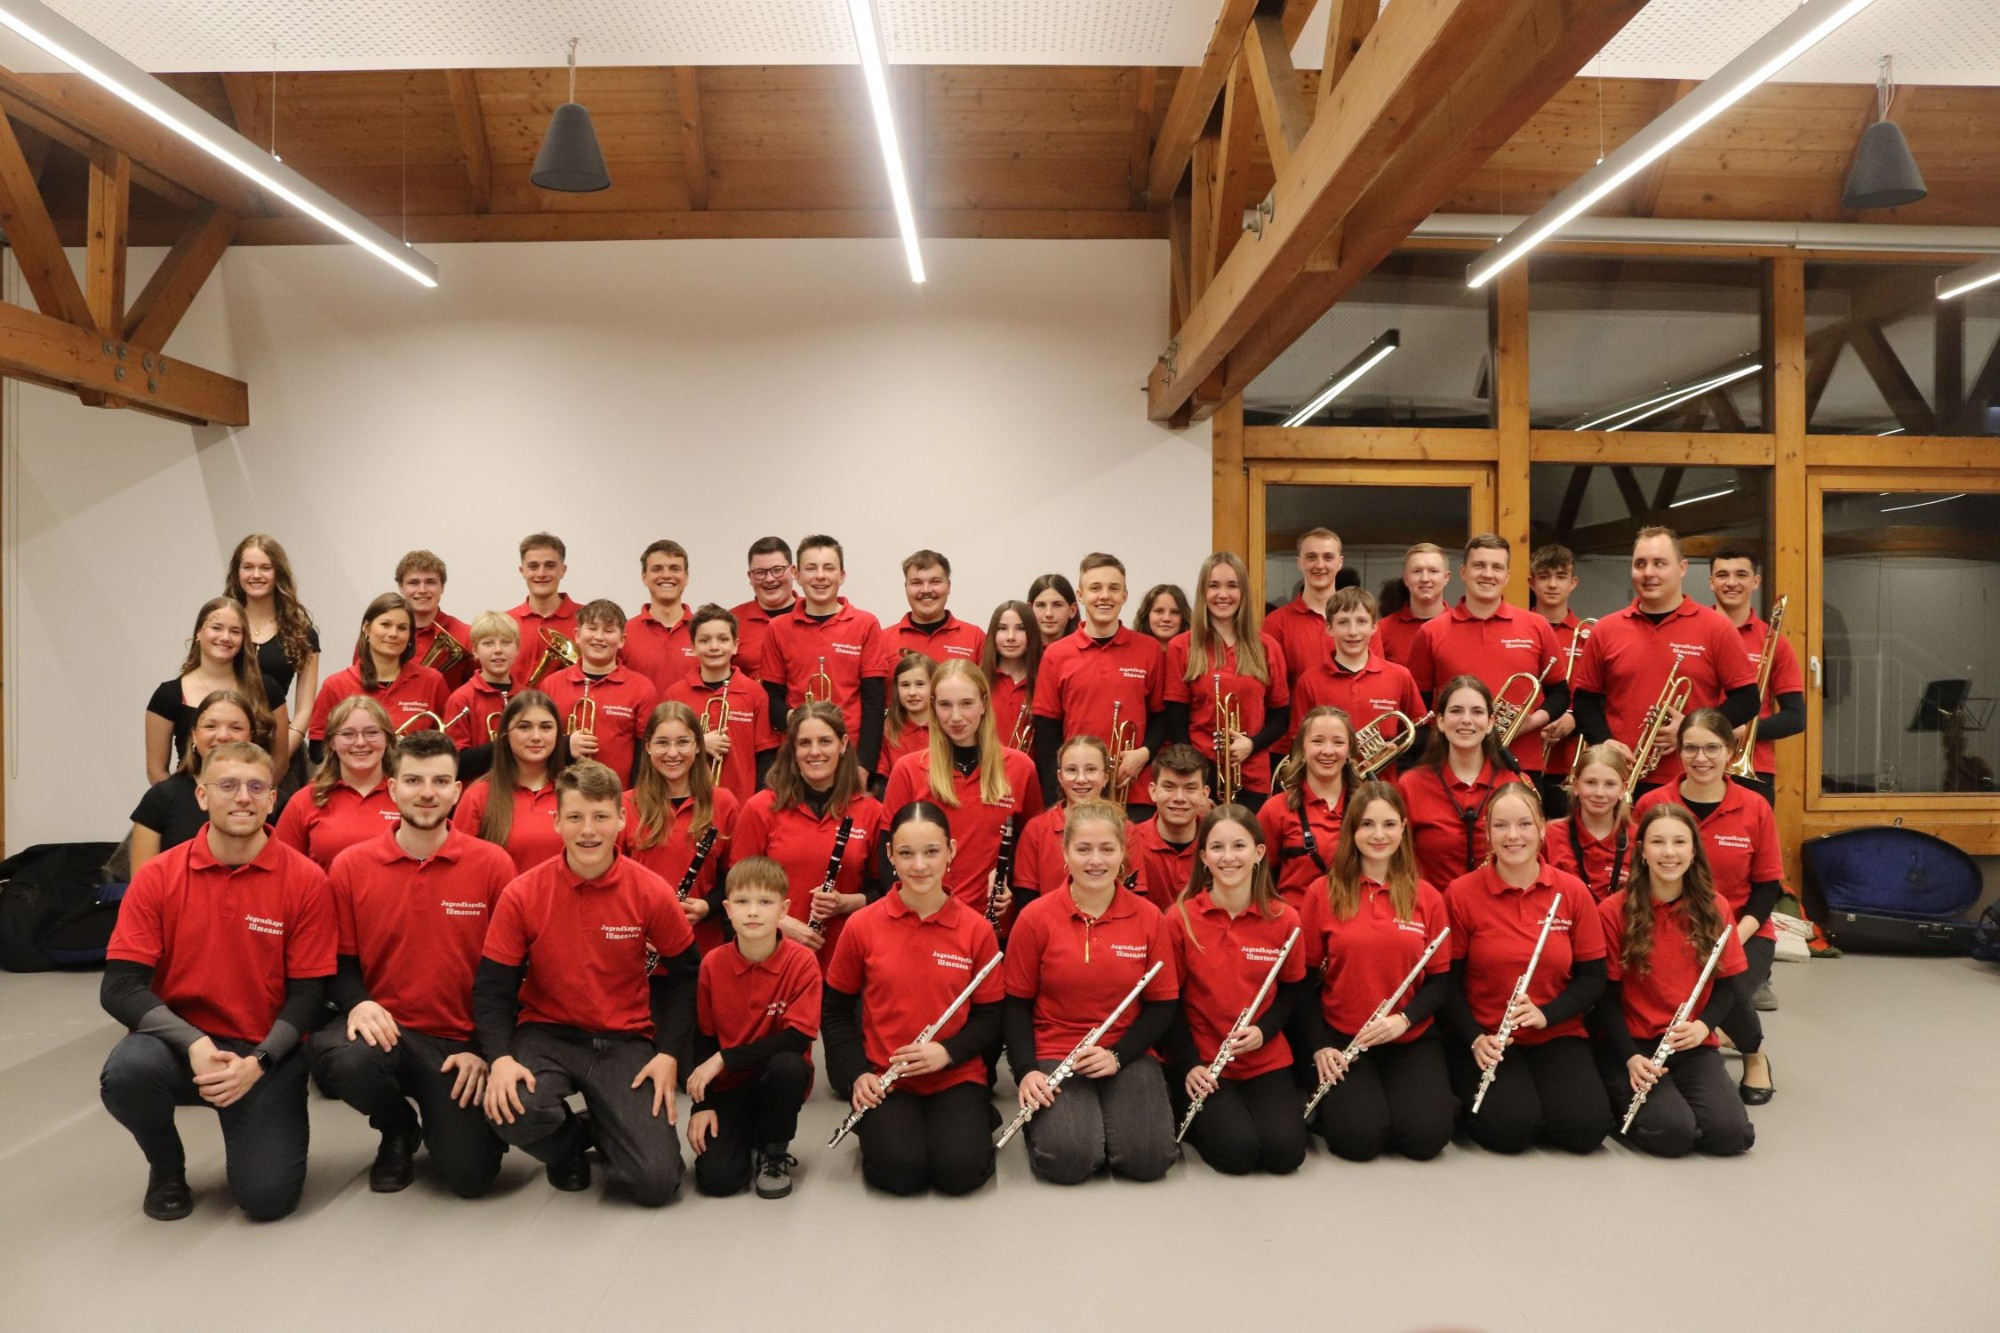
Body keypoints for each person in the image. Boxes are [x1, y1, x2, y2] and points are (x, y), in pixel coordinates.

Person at [99, 741, 333, 1221]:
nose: (243, 797)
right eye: (227, 785)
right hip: (178, 1045)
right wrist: (194, 1043)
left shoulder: (307, 880)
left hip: (264, 1052)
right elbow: (119, 986)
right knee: (128, 1073)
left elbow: (310, 994)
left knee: (266, 1200)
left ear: (272, 799)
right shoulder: (158, 876)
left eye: (256, 787)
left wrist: (260, 1061)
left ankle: (259, 1114)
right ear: (202, 796)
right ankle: (167, 1167)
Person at [476, 761, 700, 1205]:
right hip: (547, 1034)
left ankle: (606, 1122)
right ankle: (567, 1148)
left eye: (600, 816)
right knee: (509, 1109)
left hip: (624, 1039)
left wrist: (669, 1054)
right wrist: (499, 1058)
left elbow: (690, 974)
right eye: (575, 817)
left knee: (657, 1182)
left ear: (621, 819)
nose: (588, 830)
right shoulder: (522, 893)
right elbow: (492, 988)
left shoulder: (650, 890)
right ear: (557, 821)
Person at [311, 730, 515, 1196]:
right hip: (389, 1034)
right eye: (414, 780)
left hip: (459, 1043)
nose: (427, 793)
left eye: (440, 781)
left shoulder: (493, 865)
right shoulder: (351, 866)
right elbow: (338, 963)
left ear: (457, 791)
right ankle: (397, 1126)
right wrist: (358, 1003)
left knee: (471, 1177)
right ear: (392, 787)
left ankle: (451, 1126)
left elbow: (509, 974)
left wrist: (483, 1049)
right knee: (345, 1061)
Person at [823, 801, 1004, 1196]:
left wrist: (947, 1052)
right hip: (887, 1078)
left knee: (960, 1173)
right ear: (890, 855)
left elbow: (991, 1018)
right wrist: (858, 1074)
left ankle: (974, 1116)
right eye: (906, 854)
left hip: (955, 1073)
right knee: (900, 1173)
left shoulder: (976, 930)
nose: (919, 865)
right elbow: (835, 1013)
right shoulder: (862, 925)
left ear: (951, 851)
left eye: (931, 852)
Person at [1005, 798, 1180, 1184]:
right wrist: (1027, 1071)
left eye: (1107, 849)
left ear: (1123, 853)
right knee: (1068, 1160)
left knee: (1148, 1161)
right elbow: (1016, 1005)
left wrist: (1118, 1056)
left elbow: (1163, 1006)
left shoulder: (1149, 917)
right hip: (1055, 1050)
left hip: (1125, 1051)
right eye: (1083, 849)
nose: (1096, 860)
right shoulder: (1035, 918)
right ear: (1065, 853)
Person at [1442, 784, 1612, 1155]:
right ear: (1488, 833)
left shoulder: (1571, 891)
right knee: (1509, 1130)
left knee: (1586, 1129)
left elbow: (1593, 977)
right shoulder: (1461, 893)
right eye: (1500, 825)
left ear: (1541, 828)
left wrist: (1545, 1014)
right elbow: (1447, 984)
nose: (1513, 835)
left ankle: (1538, 1102)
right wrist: (1474, 1037)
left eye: (1524, 824)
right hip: (1489, 1036)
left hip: (1556, 1030)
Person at [1294, 781, 1453, 1162]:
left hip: (1409, 1037)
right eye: (1367, 824)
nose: (1378, 835)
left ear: (1403, 828)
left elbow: (1440, 981)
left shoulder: (1427, 897)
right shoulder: (1322, 892)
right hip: (1344, 1039)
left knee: (1425, 1139)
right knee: (1358, 1139)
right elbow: (1302, 983)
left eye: (1388, 824)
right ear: (1352, 830)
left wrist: (1404, 1019)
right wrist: (1320, 1046)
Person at [1634, 710, 1782, 1104]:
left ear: (1731, 751)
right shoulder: (1652, 803)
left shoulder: (1755, 806)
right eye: (1691, 748)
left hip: (1744, 930)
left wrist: (1732, 937)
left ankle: (1754, 1054)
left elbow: (1767, 888)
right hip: (1669, 928)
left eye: (1712, 748)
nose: (1701, 758)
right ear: (1678, 751)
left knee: (1725, 984)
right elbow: (1638, 874)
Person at [1593, 803, 1755, 1158]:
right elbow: (1604, 996)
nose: (1669, 852)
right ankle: (1615, 1095)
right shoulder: (1613, 911)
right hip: (1632, 1047)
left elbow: (1729, 986)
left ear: (1694, 851)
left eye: (1679, 842)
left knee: (1731, 1137)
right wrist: (1630, 1057)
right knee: (1671, 1134)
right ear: (1642, 851)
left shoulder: (1715, 907)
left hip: (1690, 1043)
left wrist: (1703, 1026)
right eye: (1658, 842)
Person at [1166, 806, 1310, 1176]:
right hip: (1204, 1060)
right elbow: (1168, 1002)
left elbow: (1292, 990)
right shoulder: (1181, 918)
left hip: (1263, 1057)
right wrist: (1189, 1063)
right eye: (1217, 847)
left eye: (1239, 846)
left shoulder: (1285, 918)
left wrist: (1264, 1031)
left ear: (1259, 852)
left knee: (1285, 1154)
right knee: (1238, 1153)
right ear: (1203, 856)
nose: (1228, 857)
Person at [1571, 527, 1759, 797]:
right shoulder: (1605, 629)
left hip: (1692, 780)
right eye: (1640, 564)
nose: (1648, 573)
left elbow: (1747, 699)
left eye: (1659, 563)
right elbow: (1584, 700)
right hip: (1619, 781)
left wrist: (1693, 729)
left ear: (1682, 568)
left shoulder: (1717, 628)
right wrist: (1604, 741)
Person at [687, 857, 821, 1199]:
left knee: (789, 1066)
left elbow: (798, 1038)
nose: (753, 912)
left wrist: (725, 1059)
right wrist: (702, 1106)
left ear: (784, 910)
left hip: (775, 1082)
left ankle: (773, 1149)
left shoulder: (802, 962)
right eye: (742, 902)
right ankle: (746, 1136)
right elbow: (704, 1038)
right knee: (718, 1181)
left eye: (765, 902)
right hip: (730, 1086)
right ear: (727, 909)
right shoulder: (712, 964)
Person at [881, 660, 1043, 926]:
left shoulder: (1021, 768)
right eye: (945, 705)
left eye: (966, 703)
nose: (955, 717)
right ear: (933, 706)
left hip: (993, 925)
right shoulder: (907, 769)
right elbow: (888, 861)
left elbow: (1031, 849)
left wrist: (1008, 878)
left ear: (984, 703)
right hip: (923, 922)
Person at [1404, 535, 1565, 781]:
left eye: (1497, 567)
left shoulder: (1537, 625)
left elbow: (1560, 693)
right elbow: (1420, 709)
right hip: (1452, 766)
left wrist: (1529, 723)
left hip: (1521, 764)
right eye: (1479, 565)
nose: (1488, 574)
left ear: (1507, 576)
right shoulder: (1431, 632)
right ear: (1463, 572)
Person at [733, 700, 887, 958]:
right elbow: (737, 890)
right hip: (773, 956)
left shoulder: (872, 812)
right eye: (804, 743)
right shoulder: (760, 808)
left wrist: (847, 903)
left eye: (825, 741)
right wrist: (779, 923)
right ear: (793, 749)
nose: (815, 752)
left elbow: (885, 892)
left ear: (843, 744)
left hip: (846, 958)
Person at [1033, 553, 1166, 809]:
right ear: (1080, 595)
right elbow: (1047, 734)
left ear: (1125, 595)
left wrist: (1144, 753)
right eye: (1095, 588)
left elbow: (1161, 717)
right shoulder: (1056, 654)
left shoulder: (1149, 649)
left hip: (1134, 791)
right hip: (1078, 792)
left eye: (1113, 588)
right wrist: (1055, 799)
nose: (1104, 596)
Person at [1165, 552, 1290, 812]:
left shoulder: (1267, 647)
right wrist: (1196, 778)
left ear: (1243, 592)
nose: (1223, 594)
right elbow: (1176, 723)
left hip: (1252, 777)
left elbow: (1280, 718)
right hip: (1198, 777)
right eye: (1214, 586)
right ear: (1203, 592)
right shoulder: (1181, 646)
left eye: (1232, 586)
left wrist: (1251, 745)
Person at [758, 534, 892, 774]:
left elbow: (874, 702)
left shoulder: (866, 624)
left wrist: (864, 766)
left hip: (850, 755)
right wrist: (794, 719)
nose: (820, 576)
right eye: (811, 568)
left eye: (828, 568)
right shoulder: (777, 628)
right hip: (798, 755)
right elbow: (770, 697)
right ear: (796, 574)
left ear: (842, 575)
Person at [625, 701, 741, 956]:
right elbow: (612, 879)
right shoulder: (626, 804)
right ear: (648, 746)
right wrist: (629, 929)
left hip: (702, 948)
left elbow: (736, 876)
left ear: (698, 745)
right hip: (637, 949)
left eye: (683, 742)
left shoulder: (724, 803)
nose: (673, 753)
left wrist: (708, 906)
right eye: (662, 743)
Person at [1397, 676, 1528, 888]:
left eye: (1477, 712)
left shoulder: (1517, 783)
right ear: (1440, 721)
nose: (1466, 720)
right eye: (1456, 711)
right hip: (1431, 905)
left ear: (1490, 723)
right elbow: (1398, 860)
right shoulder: (1410, 785)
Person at [132, 690, 273, 874]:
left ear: (250, 737)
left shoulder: (266, 799)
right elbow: (143, 882)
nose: (223, 736)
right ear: (194, 734)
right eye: (210, 726)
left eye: (236, 728)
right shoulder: (161, 797)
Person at [1708, 541, 1804, 807]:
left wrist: (1745, 731)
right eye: (1722, 575)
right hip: (1696, 762)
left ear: (1756, 582)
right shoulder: (1693, 633)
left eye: (1741, 574)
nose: (1731, 583)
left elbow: (1795, 717)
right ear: (1711, 583)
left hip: (1753, 768)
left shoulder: (1774, 642)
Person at [146, 597, 279, 782]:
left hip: (252, 795)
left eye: (235, 631)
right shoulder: (168, 695)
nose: (225, 637)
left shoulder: (266, 690)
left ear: (244, 639)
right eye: (216, 628)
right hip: (187, 797)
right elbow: (156, 771)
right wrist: (184, 800)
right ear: (198, 633)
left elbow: (279, 762)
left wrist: (253, 795)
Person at [1290, 587, 1425, 768]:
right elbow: (1298, 743)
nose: (1353, 631)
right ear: (1329, 628)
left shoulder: (1400, 676)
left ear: (1374, 626)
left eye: (1361, 621)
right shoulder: (1309, 682)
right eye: (1343, 622)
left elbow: (1419, 732)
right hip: (1330, 782)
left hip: (1384, 782)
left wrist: (1394, 751)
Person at [226, 535, 318, 781]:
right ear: (236, 573)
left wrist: (281, 755)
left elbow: (305, 708)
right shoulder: (224, 627)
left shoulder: (301, 632)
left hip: (280, 745)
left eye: (265, 567)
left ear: (278, 573)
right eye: (248, 567)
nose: (256, 575)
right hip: (225, 743)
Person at [541, 599, 659, 786]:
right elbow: (537, 743)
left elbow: (645, 754)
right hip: (560, 793)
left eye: (609, 631)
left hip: (618, 796)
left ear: (622, 640)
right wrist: (566, 745)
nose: (599, 637)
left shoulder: (642, 687)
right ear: (577, 635)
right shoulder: (551, 684)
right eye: (592, 628)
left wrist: (634, 798)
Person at [274, 696, 400, 870]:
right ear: (331, 742)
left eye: (372, 732)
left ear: (387, 739)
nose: (360, 742)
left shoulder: (406, 797)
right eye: (348, 734)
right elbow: (282, 868)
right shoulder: (305, 801)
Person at [307, 593, 450, 743]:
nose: (393, 634)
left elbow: (448, 742)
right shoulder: (335, 685)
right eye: (385, 625)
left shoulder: (432, 681)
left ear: (410, 635)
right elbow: (318, 746)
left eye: (402, 628)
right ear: (366, 628)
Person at [453, 690, 569, 873]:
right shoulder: (478, 795)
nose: (536, 736)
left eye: (546, 727)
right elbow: (460, 868)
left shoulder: (574, 791)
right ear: (506, 735)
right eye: (524, 727)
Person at [665, 603, 772, 803]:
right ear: (693, 647)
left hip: (741, 803)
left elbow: (765, 755)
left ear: (735, 645)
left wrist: (757, 803)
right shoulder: (675, 694)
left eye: (723, 639)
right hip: (687, 802)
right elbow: (664, 749)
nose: (714, 647)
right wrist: (699, 743)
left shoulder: (755, 693)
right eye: (704, 640)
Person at [1258, 706, 1359, 913]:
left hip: (1352, 922)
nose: (1328, 751)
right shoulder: (1275, 809)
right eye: (1317, 741)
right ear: (1301, 748)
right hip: (1295, 923)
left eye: (1338, 742)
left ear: (1350, 751)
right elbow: (1256, 877)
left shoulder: (1367, 807)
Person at [1015, 735, 1115, 913]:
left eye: (1091, 769)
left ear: (1106, 777)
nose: (1081, 779)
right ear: (1060, 777)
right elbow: (1026, 900)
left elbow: (1132, 895)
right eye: (1071, 770)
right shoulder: (1036, 829)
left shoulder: (1125, 829)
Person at [1528, 543, 1587, 816]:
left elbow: (1600, 695)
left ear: (1573, 583)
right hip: (1525, 751)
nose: (1552, 584)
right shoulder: (1519, 629)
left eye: (1561, 577)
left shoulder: (1589, 636)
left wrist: (1573, 718)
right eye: (1544, 576)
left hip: (1569, 761)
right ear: (1531, 582)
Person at [1546, 744, 1635, 903]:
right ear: (1576, 786)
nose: (1599, 793)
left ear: (1623, 789)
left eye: (1610, 784)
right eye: (1591, 782)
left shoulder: (1639, 838)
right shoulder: (1550, 835)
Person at [1127, 743, 1209, 912]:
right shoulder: (1130, 843)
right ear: (1153, 791)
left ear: (1204, 795)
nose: (1179, 798)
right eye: (1169, 787)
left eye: (1190, 788)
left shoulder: (1219, 845)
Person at [442, 610, 518, 777]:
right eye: (488, 643)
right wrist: (503, 747)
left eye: (506, 642)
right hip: (477, 788)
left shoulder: (528, 697)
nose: (498, 650)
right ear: (475, 651)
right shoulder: (460, 699)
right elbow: (454, 761)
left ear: (517, 649)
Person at [1263, 528, 1344, 683]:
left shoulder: (1360, 621)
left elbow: (1374, 680)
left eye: (1328, 557)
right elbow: (1272, 686)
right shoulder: (1276, 623)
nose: (1320, 565)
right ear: (1299, 563)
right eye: (1311, 557)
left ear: (1340, 563)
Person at [388, 550, 473, 692]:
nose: (422, 590)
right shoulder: (382, 635)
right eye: (413, 583)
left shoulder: (467, 636)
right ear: (401, 587)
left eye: (430, 582)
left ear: (442, 587)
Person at [624, 539, 700, 694]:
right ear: (644, 577)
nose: (666, 575)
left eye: (674, 569)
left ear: (686, 577)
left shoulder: (704, 633)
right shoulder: (624, 633)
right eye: (657, 569)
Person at [508, 532, 581, 688]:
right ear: (522, 571)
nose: (541, 574)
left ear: (563, 570)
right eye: (533, 566)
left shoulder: (587, 621)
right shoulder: (505, 623)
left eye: (550, 566)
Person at [888, 549, 986, 663]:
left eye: (935, 582)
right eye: (916, 583)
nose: (926, 590)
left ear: (948, 586)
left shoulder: (976, 638)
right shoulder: (883, 639)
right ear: (906, 587)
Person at [729, 536, 797, 681]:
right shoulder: (730, 620)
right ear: (750, 577)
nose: (769, 579)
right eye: (760, 572)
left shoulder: (814, 613)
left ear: (793, 572)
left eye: (777, 570)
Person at [980, 599, 1042, 753]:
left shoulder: (1045, 681)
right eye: (1002, 629)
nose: (1011, 637)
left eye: (1020, 629)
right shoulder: (978, 682)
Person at [1375, 543, 1451, 667]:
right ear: (1406, 579)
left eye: (1433, 571)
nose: (1425, 578)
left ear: (1446, 577)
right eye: (1417, 571)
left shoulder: (1461, 628)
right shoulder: (1382, 630)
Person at [876, 650, 937, 784]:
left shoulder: (947, 726)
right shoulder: (888, 729)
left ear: (934, 686)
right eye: (905, 685)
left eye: (920, 684)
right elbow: (883, 781)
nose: (912, 692)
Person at [1026, 572, 1080, 648]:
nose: (1049, 614)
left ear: (1072, 610)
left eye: (1057, 605)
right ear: (1029, 609)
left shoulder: (1087, 652)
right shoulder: (1017, 652)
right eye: (1041, 605)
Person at [1133, 583, 1192, 650]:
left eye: (1174, 612)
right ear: (1146, 615)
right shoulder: (1132, 650)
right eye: (1159, 611)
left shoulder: (1197, 652)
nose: (1166, 618)